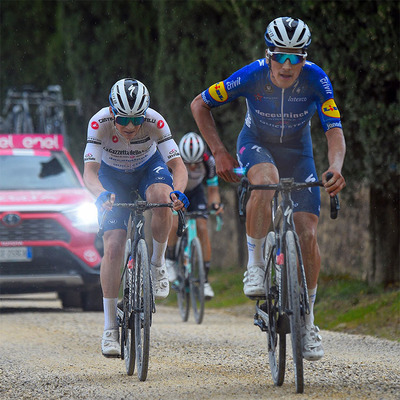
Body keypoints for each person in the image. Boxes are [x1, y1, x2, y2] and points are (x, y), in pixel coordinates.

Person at [190, 17, 346, 361]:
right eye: (281, 56)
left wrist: (335, 167)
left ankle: (307, 322)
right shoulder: (250, 75)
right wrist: (218, 151)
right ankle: (256, 264)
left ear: (305, 58)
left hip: (299, 152)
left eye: (297, 57)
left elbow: (333, 128)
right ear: (268, 55)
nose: (289, 65)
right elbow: (199, 104)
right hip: (256, 143)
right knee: (265, 180)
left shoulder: (317, 79)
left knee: (307, 232)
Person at [83, 78, 188, 358]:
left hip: (147, 170)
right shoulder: (98, 123)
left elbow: (177, 165)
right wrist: (101, 195)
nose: (130, 126)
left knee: (162, 196)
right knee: (115, 243)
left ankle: (157, 265)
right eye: (123, 119)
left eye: (136, 119)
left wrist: (178, 192)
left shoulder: (156, 122)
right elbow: (90, 173)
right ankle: (109, 328)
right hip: (112, 177)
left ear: (146, 113)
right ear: (111, 111)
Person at [166, 132, 224, 299]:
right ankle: (170, 259)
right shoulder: (172, 159)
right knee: (175, 220)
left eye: (195, 163)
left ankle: (204, 280)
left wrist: (215, 205)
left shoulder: (209, 162)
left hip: (197, 192)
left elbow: (213, 190)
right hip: (176, 190)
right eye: (188, 163)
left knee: (202, 226)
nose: (192, 167)